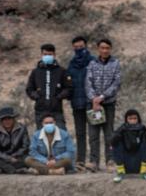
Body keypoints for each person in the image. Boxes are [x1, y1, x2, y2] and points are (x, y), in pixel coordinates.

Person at [85, 38, 122, 172]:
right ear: (98, 49)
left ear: (110, 49)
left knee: (109, 134)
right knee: (93, 134)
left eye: (107, 48)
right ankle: (94, 161)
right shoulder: (92, 63)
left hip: (108, 104)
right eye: (102, 48)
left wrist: (101, 97)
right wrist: (94, 99)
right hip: (93, 105)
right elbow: (88, 82)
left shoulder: (115, 63)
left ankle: (110, 161)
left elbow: (116, 83)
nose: (105, 50)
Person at [25, 43, 72, 129]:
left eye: (50, 54)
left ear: (54, 55)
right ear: (41, 55)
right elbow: (29, 89)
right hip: (40, 110)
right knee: (41, 134)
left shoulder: (61, 71)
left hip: (56, 110)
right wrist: (37, 96)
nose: (47, 56)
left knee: (61, 133)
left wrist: (59, 97)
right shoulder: (35, 72)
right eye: (45, 54)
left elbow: (68, 88)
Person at [67, 35, 95, 169]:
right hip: (76, 103)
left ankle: (94, 160)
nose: (79, 49)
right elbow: (68, 82)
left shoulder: (93, 61)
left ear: (86, 46)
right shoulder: (71, 63)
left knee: (93, 132)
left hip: (91, 103)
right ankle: (81, 160)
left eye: (81, 47)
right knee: (80, 132)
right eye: (76, 47)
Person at [111, 109, 146, 182]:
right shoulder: (122, 128)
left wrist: (144, 131)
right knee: (116, 141)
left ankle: (144, 171)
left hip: (139, 164)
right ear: (126, 119)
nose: (133, 121)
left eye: (135, 118)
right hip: (125, 164)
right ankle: (120, 172)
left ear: (138, 119)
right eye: (130, 118)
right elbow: (112, 142)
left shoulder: (142, 128)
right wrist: (121, 132)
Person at [0, 106, 31, 174]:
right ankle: (11, 169)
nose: (7, 121)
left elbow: (25, 146)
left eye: (9, 118)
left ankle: (3, 168)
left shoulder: (22, 128)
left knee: (29, 159)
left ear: (13, 119)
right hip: (2, 157)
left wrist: (14, 156)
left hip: (18, 156)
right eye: (4, 119)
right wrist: (8, 158)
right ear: (1, 120)